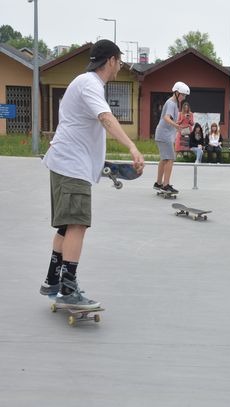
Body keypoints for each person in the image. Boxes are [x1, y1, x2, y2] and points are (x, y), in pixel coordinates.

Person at [40, 39, 145, 309]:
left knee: (66, 224)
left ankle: (53, 279)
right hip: (71, 167)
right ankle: (68, 287)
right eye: (119, 61)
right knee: (77, 224)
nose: (120, 66)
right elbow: (106, 119)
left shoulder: (84, 83)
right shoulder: (90, 84)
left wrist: (99, 163)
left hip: (67, 163)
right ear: (110, 60)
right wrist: (132, 146)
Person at [154, 81, 190, 194]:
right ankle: (166, 185)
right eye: (183, 95)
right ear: (176, 92)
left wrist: (178, 125)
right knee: (170, 159)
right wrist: (177, 126)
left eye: (185, 95)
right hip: (164, 135)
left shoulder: (172, 103)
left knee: (164, 159)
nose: (184, 97)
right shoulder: (171, 103)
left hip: (162, 134)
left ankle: (158, 183)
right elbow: (166, 118)